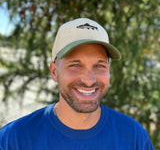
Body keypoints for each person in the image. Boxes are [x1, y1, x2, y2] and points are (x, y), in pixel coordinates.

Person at [0, 18, 154, 150]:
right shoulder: (14, 139)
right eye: (75, 65)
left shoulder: (133, 137)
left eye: (100, 65)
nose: (89, 80)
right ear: (54, 71)